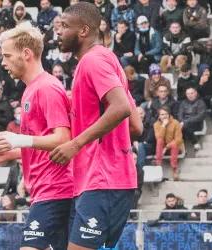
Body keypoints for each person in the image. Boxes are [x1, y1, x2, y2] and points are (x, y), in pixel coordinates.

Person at [52, 3, 142, 249]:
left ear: (83, 31)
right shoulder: (108, 59)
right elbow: (135, 126)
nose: (58, 32)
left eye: (64, 26)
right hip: (111, 178)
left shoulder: (93, 60)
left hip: (102, 180)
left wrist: (77, 143)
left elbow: (121, 108)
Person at [0, 22, 74, 250]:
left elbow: (63, 140)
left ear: (27, 54)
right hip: (46, 189)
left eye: (7, 56)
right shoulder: (30, 89)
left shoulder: (47, 88)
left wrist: (18, 140)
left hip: (56, 189)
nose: (2, 62)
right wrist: (9, 154)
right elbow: (43, 144)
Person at [154, 106, 183, 180]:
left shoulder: (175, 123)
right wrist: (163, 125)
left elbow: (178, 139)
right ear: (159, 116)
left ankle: (174, 169)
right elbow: (158, 137)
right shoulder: (156, 124)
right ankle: (158, 164)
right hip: (162, 149)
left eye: (166, 114)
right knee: (160, 140)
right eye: (162, 114)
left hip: (174, 148)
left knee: (174, 144)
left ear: (169, 114)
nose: (164, 116)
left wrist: (166, 147)